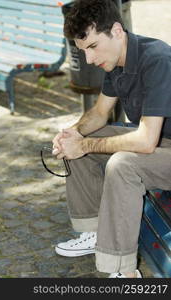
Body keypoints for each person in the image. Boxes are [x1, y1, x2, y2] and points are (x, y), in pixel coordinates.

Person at [52, 0, 171, 278]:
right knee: (83, 136)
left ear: (117, 30)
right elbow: (99, 113)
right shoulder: (116, 60)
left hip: (160, 146)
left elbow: (145, 141)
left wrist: (84, 145)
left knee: (122, 165)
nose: (90, 60)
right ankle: (95, 232)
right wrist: (73, 133)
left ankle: (124, 272)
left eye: (93, 47)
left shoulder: (157, 59)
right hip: (159, 145)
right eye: (84, 51)